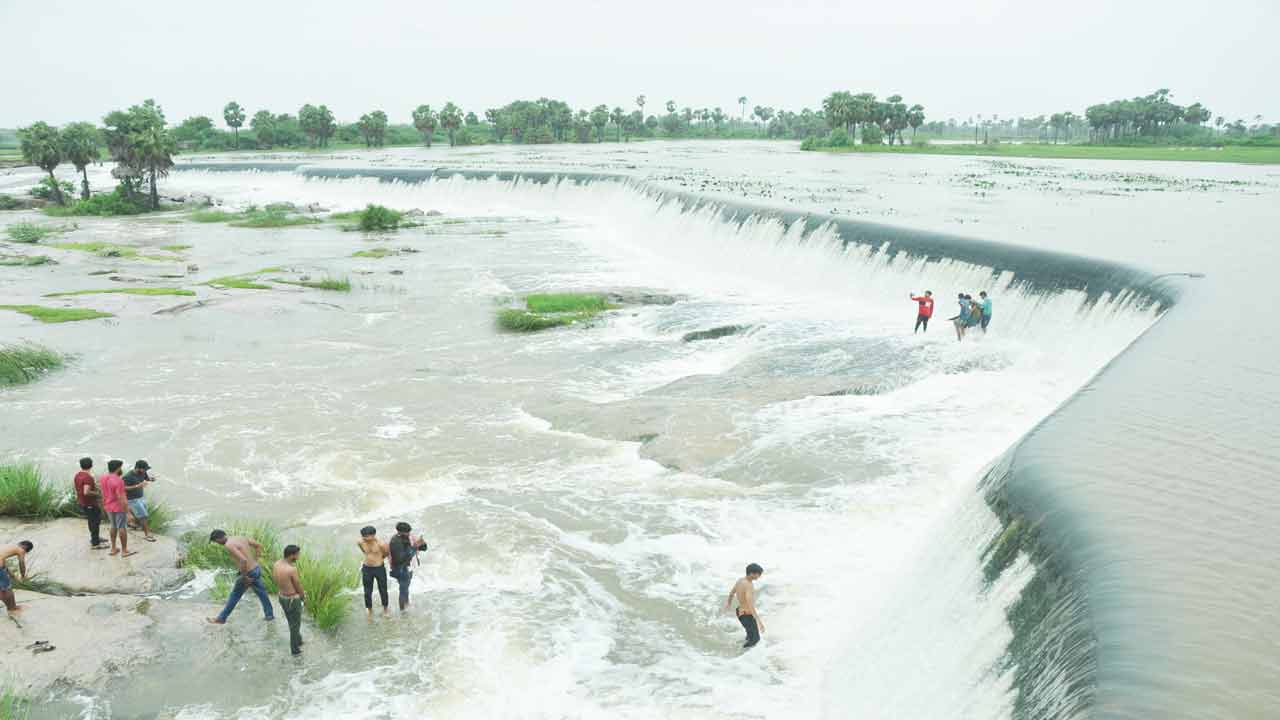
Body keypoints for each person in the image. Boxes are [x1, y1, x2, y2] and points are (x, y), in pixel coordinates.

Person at [206, 529, 275, 624]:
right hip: (256, 569)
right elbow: (258, 545)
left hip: (248, 573)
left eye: (216, 541)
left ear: (219, 538)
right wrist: (256, 560)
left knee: (235, 595)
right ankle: (269, 615)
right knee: (262, 593)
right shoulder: (239, 537)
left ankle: (221, 619)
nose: (217, 543)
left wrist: (244, 577)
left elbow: (243, 560)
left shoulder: (229, 545)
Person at [387, 522, 428, 612]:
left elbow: (424, 549)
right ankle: (403, 611)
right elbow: (400, 559)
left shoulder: (409, 537)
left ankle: (406, 605)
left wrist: (422, 543)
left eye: (409, 532)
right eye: (407, 532)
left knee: (406, 588)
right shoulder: (395, 541)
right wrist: (414, 546)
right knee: (403, 589)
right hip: (400, 569)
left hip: (409, 567)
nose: (409, 534)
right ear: (399, 532)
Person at [272, 545, 306, 656]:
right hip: (292, 599)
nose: (299, 556)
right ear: (292, 555)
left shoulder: (277, 564)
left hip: (282, 596)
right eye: (297, 554)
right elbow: (297, 584)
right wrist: (302, 596)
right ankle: (295, 650)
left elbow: (275, 579)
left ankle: (299, 640)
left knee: (291, 622)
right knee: (295, 625)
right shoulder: (291, 569)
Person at [723, 563, 765, 649]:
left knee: (750, 636)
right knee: (755, 639)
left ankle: (745, 652)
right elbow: (750, 604)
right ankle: (742, 654)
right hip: (747, 615)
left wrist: (728, 604)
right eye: (758, 574)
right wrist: (759, 621)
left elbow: (731, 593)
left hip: (739, 612)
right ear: (751, 573)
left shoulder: (740, 581)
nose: (759, 576)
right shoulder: (748, 585)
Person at [100, 460, 133, 557]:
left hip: (108, 506)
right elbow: (121, 498)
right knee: (122, 527)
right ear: (118, 468)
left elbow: (103, 493)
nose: (121, 469)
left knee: (113, 526)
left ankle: (113, 549)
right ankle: (124, 551)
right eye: (121, 467)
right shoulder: (119, 480)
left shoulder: (103, 478)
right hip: (119, 508)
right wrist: (128, 513)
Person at [73, 457, 106, 549]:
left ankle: (95, 538)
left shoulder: (78, 475)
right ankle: (95, 543)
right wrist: (98, 493)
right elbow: (86, 491)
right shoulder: (88, 477)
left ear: (81, 465)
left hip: (83, 502)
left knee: (93, 521)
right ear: (91, 465)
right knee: (94, 522)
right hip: (90, 503)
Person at [357, 526, 389, 617]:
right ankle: (369, 610)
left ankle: (385, 609)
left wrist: (378, 559)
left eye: (367, 536)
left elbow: (386, 553)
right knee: (367, 591)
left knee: (383, 589)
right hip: (367, 568)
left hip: (379, 568)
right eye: (363, 536)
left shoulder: (381, 544)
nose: (364, 538)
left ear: (373, 535)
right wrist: (369, 558)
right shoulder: (360, 542)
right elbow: (364, 551)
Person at [122, 460, 156, 542]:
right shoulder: (128, 476)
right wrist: (138, 486)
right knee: (143, 516)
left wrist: (151, 479)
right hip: (132, 499)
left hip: (141, 498)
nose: (146, 471)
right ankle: (147, 534)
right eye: (144, 469)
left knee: (143, 515)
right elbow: (123, 488)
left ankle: (133, 524)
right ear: (138, 468)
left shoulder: (143, 473)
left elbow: (146, 478)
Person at [0, 541, 33, 616]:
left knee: (2, 588)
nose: (24, 553)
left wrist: (13, 576)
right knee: (7, 588)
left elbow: (4, 566)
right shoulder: (21, 550)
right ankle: (12, 609)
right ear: (25, 547)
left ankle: (10, 607)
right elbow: (21, 563)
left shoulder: (8, 547)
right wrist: (23, 576)